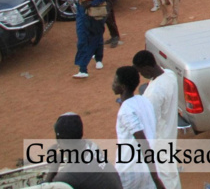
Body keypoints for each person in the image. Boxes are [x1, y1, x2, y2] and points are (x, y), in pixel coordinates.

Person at [134, 50, 181, 189]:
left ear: (147, 68)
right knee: (171, 174)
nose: (141, 75)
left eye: (140, 71)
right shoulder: (169, 74)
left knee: (164, 178)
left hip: (158, 141)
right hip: (169, 134)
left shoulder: (154, 93)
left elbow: (150, 122)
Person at [113, 66, 165, 189]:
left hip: (129, 170)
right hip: (146, 169)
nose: (113, 84)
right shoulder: (144, 101)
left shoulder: (126, 110)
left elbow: (143, 142)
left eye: (115, 82)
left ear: (123, 87)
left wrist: (156, 179)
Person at [42, 113, 123, 188]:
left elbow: (48, 186)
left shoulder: (68, 174)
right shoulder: (90, 144)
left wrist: (53, 168)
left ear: (60, 140)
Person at [71, 0, 109, 78]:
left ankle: (98, 58)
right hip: (82, 13)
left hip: (96, 13)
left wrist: (92, 3)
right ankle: (83, 69)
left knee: (97, 36)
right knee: (82, 39)